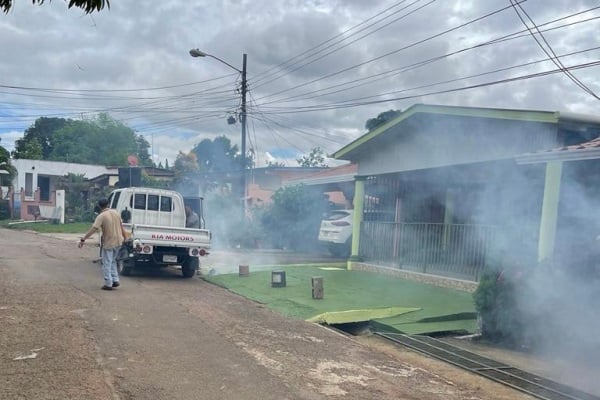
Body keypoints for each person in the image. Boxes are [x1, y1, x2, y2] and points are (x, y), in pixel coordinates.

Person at [79, 198, 127, 290]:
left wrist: (83, 239)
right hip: (119, 241)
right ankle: (115, 280)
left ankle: (108, 283)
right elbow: (121, 227)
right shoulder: (116, 213)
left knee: (106, 263)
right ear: (108, 204)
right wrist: (125, 238)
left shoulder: (101, 216)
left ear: (99, 206)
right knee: (113, 261)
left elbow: (94, 228)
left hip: (109, 242)